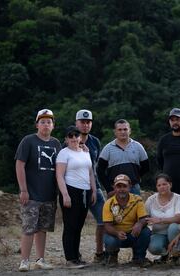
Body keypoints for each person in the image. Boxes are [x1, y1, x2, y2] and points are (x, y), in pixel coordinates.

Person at [15, 109, 61, 272]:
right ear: (37, 125)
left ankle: (40, 259)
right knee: (29, 227)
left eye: (49, 122)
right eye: (42, 122)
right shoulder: (28, 141)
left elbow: (61, 167)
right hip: (32, 193)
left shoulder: (56, 143)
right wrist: (23, 189)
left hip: (49, 194)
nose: (46, 124)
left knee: (42, 228)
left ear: (53, 125)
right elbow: (20, 165)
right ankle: (24, 261)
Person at [56, 126, 97, 268]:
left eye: (76, 136)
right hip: (70, 190)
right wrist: (65, 194)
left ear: (80, 137)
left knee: (79, 226)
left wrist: (94, 190)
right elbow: (59, 175)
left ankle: (77, 256)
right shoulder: (64, 153)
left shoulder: (86, 152)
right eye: (70, 136)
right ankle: (70, 259)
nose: (74, 138)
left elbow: (90, 172)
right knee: (70, 225)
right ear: (66, 139)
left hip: (85, 192)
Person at [75, 109, 106, 262]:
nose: (85, 125)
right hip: (76, 188)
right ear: (76, 123)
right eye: (82, 122)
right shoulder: (69, 141)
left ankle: (99, 254)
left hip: (95, 187)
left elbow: (96, 166)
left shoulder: (95, 142)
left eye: (88, 122)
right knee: (76, 223)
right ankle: (75, 254)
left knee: (104, 219)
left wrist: (97, 188)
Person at [103, 174, 152, 267]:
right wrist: (117, 233)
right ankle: (112, 257)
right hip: (116, 236)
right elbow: (107, 225)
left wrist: (139, 224)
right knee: (109, 238)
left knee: (146, 232)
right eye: (118, 186)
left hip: (133, 234)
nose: (121, 189)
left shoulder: (137, 199)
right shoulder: (108, 203)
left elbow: (144, 218)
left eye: (124, 186)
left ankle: (139, 258)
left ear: (130, 187)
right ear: (114, 187)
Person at [97, 119, 149, 196]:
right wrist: (108, 188)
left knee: (135, 208)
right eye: (120, 129)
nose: (123, 132)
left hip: (133, 188)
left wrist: (135, 177)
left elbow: (146, 167)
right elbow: (100, 170)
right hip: (115, 189)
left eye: (125, 129)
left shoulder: (138, 147)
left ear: (130, 131)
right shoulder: (108, 148)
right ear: (115, 132)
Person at [145, 173, 180, 263]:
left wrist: (160, 220)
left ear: (170, 184)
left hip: (174, 232)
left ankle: (175, 255)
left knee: (173, 226)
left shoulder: (178, 198)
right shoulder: (151, 200)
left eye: (164, 184)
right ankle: (165, 255)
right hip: (158, 233)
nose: (162, 187)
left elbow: (179, 219)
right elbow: (145, 217)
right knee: (154, 248)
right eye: (159, 185)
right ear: (156, 187)